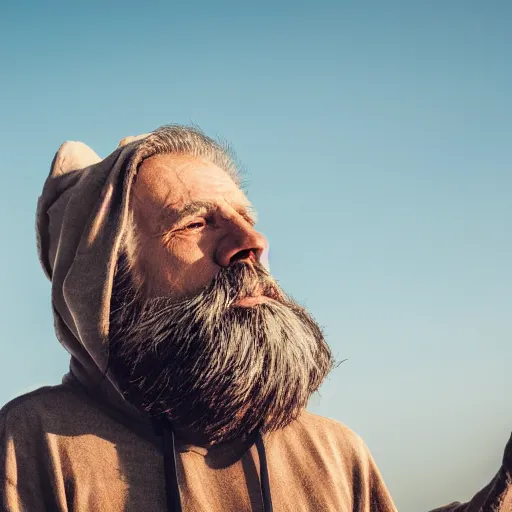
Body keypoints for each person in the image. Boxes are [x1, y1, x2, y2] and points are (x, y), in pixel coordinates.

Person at [0, 126, 509, 511]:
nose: (252, 243)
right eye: (196, 221)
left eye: (248, 219)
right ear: (107, 280)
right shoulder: (30, 445)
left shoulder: (332, 450)